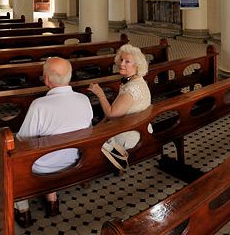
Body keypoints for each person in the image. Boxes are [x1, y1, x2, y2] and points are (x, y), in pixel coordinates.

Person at [12, 58, 93, 227]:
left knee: (12, 155)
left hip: (43, 167)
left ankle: (23, 211)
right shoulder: (83, 99)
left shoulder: (39, 105)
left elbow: (23, 141)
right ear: (69, 77)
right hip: (74, 161)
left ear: (46, 79)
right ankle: (52, 201)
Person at [87, 44, 152, 152]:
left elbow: (112, 115)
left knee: (90, 144)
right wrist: (100, 126)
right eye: (121, 59)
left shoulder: (132, 89)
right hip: (141, 128)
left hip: (130, 137)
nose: (121, 63)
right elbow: (117, 110)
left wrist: (100, 93)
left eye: (127, 61)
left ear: (136, 66)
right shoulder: (137, 80)